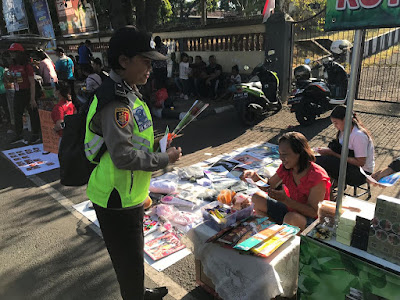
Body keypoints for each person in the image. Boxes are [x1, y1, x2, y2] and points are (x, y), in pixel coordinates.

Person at [84, 26, 182, 300]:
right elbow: (124, 156)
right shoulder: (114, 101)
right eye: (146, 61)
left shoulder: (129, 91)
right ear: (124, 61)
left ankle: (138, 291)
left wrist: (158, 142)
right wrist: (165, 158)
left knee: (133, 256)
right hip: (116, 196)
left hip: (130, 193)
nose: (150, 68)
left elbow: (132, 139)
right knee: (127, 261)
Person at [241, 132, 331, 231]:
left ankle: (282, 234)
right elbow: (269, 186)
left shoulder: (317, 176)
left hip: (311, 222)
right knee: (257, 197)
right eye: (280, 154)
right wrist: (255, 177)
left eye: (284, 155)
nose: (281, 158)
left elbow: (314, 212)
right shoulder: (287, 168)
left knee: (291, 218)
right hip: (290, 209)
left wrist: (286, 200)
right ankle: (271, 230)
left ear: (299, 153)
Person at [316, 105, 375, 188]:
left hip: (361, 173)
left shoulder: (358, 135)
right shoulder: (343, 132)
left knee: (320, 162)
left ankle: (330, 191)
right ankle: (331, 186)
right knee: (318, 160)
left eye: (336, 123)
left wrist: (333, 154)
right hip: (349, 166)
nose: (335, 126)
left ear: (346, 120)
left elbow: (360, 162)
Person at [6, 43, 41, 144]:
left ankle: (36, 134)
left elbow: (32, 83)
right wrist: (9, 78)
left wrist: (32, 98)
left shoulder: (27, 66)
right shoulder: (12, 65)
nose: (12, 55)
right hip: (18, 91)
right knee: (17, 113)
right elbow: (12, 79)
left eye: (14, 52)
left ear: (19, 53)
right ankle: (19, 134)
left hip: (28, 91)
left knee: (33, 113)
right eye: (11, 52)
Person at [0, 59, 10, 126]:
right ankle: (7, 120)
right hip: (2, 90)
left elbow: (5, 79)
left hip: (2, 90)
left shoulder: (1, 69)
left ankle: (7, 120)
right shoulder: (2, 69)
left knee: (5, 106)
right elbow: (6, 79)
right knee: (5, 106)